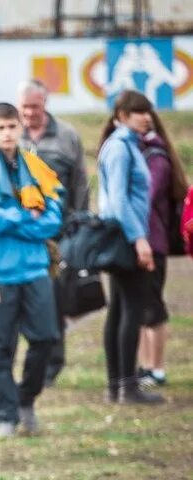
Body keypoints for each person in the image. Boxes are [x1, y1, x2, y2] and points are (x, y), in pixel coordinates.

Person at [0, 103, 63, 439]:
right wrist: (25, 216)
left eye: (12, 127)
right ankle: (5, 415)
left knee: (46, 338)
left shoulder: (38, 170)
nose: (7, 133)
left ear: (21, 129)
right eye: (0, 128)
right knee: (0, 347)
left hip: (34, 269)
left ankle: (26, 400)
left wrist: (7, 215)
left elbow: (52, 220)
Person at [97, 91, 167, 406]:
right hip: (125, 238)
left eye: (148, 111)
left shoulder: (126, 145)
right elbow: (119, 200)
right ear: (123, 115)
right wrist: (140, 239)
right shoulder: (120, 148)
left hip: (122, 236)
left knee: (120, 310)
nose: (147, 117)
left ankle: (118, 385)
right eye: (140, 112)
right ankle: (127, 386)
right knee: (132, 309)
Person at [17, 79, 89, 385]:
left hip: (58, 235)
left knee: (55, 301)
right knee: (25, 301)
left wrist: (78, 224)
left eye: (35, 106)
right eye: (24, 107)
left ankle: (52, 363)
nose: (29, 113)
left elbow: (81, 185)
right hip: (20, 235)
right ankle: (31, 361)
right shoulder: (11, 136)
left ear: (45, 104)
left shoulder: (66, 136)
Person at [128, 94, 188, 388]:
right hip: (138, 240)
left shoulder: (157, 157)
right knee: (138, 308)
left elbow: (147, 196)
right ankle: (144, 366)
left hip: (155, 242)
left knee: (153, 307)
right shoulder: (139, 153)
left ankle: (158, 368)